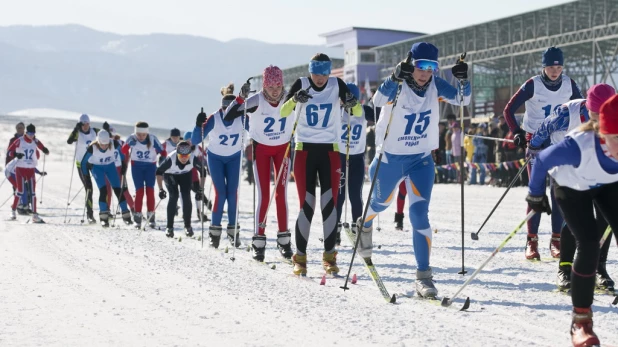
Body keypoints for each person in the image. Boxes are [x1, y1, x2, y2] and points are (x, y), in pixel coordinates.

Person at [368, 42, 471, 297]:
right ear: (411, 64)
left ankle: (424, 276)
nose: (425, 72)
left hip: (421, 159)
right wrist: (393, 77)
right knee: (381, 204)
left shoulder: (436, 84)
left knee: (419, 216)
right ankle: (365, 222)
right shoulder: (399, 83)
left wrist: (462, 80)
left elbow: (463, 99)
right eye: (420, 66)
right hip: (391, 158)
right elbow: (375, 102)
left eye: (431, 67)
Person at [526, 94, 618, 347]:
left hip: (607, 183)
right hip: (571, 185)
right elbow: (542, 159)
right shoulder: (580, 144)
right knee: (588, 243)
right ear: (603, 133)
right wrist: (535, 195)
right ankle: (581, 322)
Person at [279, 53, 363, 276]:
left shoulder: (337, 84)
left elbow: (358, 112)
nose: (320, 78)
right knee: (307, 204)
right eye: (316, 72)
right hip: (304, 150)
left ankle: (329, 256)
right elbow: (283, 112)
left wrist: (353, 103)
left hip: (330, 151)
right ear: (310, 71)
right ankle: (300, 257)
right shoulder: (302, 84)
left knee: (329, 205)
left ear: (330, 72)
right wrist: (295, 99)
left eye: (324, 73)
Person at [503, 46, 583, 260]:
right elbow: (508, 110)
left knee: (558, 193)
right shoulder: (532, 84)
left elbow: (583, 108)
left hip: (559, 141)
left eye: (558, 66)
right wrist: (517, 132)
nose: (555, 71)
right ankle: (532, 240)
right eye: (550, 66)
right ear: (544, 67)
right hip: (535, 141)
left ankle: (556, 240)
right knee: (536, 191)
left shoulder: (569, 84)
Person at [223, 66, 295, 261]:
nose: (274, 90)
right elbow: (228, 116)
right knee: (263, 195)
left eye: (278, 85)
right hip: (261, 149)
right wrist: (239, 97)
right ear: (264, 85)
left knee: (281, 195)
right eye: (270, 86)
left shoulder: (290, 98)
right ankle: (259, 241)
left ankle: (284, 240)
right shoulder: (256, 100)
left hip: (283, 149)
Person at [192, 84, 249, 249]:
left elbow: (256, 132)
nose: (228, 113)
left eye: (232, 109)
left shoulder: (242, 116)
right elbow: (196, 139)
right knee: (220, 194)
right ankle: (214, 234)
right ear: (222, 107)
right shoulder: (214, 117)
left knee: (232, 194)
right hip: (216, 158)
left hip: (234, 158)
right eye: (225, 109)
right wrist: (198, 124)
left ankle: (233, 233)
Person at [336, 82, 375, 243]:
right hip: (339, 158)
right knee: (338, 196)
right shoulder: (337, 111)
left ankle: (356, 228)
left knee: (355, 195)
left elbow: (375, 116)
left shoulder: (363, 111)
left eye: (353, 99)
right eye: (346, 100)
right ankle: (334, 230)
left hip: (357, 158)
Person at [80, 130, 133, 227]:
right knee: (103, 190)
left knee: (118, 189)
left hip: (110, 166)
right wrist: (86, 177)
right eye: (102, 144)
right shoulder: (92, 148)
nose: (104, 146)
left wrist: (124, 164)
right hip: (96, 167)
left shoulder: (114, 143)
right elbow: (83, 163)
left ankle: (126, 214)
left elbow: (122, 155)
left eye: (106, 144)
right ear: (98, 142)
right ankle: (104, 217)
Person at [121, 122, 166, 229]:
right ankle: (137, 217)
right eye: (139, 134)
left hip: (150, 167)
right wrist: (128, 145)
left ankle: (151, 216)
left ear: (147, 133)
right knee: (139, 191)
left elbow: (163, 152)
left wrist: (162, 159)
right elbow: (122, 150)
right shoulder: (132, 138)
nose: (141, 137)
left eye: (143, 135)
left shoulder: (152, 138)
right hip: (137, 167)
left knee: (150, 191)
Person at [156, 141, 204, 238]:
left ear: (189, 155)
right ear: (177, 153)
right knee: (174, 196)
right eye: (181, 156)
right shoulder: (170, 158)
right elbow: (158, 172)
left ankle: (188, 226)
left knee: (186, 196)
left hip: (185, 174)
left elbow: (203, 172)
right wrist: (160, 189)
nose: (183, 159)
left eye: (186, 156)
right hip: (170, 175)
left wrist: (200, 189)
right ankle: (169, 227)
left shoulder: (193, 158)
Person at [6, 124, 49, 223]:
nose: (31, 135)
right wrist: (16, 154)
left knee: (33, 193)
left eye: (33, 133)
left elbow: (42, 147)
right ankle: (13, 211)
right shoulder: (19, 140)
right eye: (29, 133)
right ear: (26, 133)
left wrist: (45, 150)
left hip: (30, 169)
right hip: (20, 169)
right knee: (20, 191)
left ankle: (34, 215)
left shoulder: (35, 141)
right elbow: (9, 152)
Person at [67, 114, 99, 224]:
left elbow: (107, 135)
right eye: (82, 124)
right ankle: (90, 215)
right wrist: (76, 129)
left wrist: (108, 130)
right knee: (89, 188)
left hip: (94, 163)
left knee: (104, 185)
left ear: (89, 123)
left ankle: (105, 211)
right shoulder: (78, 133)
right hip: (82, 165)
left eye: (86, 124)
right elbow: (69, 141)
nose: (85, 126)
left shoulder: (95, 131)